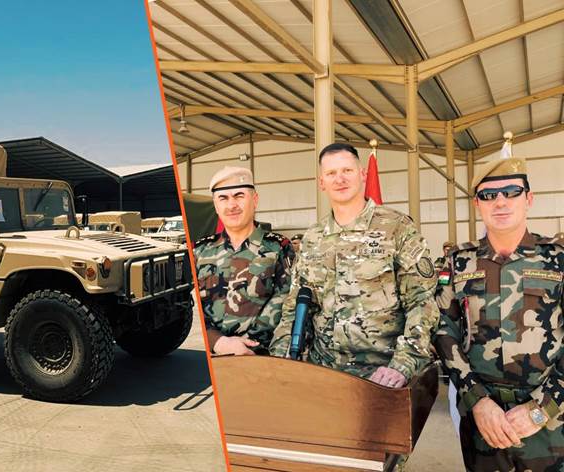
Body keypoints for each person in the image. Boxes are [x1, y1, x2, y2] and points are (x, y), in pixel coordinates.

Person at [270, 142, 439, 389]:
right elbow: (296, 306)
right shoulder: (313, 238)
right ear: (321, 182)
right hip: (323, 372)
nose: (340, 179)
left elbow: (422, 302)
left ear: (362, 174)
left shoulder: (396, 227)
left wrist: (402, 364)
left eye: (347, 170)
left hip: (382, 375)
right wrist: (280, 360)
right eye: (331, 173)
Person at [433, 156, 564, 471]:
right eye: (489, 195)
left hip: (552, 425)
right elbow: (443, 330)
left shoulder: (558, 260)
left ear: (529, 199)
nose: (500, 202)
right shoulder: (458, 263)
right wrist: (477, 401)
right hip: (483, 423)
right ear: (477, 204)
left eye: (511, 192)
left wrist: (542, 408)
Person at [194, 166, 294, 356]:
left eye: (239, 196)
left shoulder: (278, 248)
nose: (232, 205)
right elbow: (189, 307)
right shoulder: (199, 251)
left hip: (259, 357)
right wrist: (218, 341)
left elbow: (286, 304)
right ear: (215, 205)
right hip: (211, 355)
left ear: (254, 200)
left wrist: (248, 346)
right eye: (223, 198)